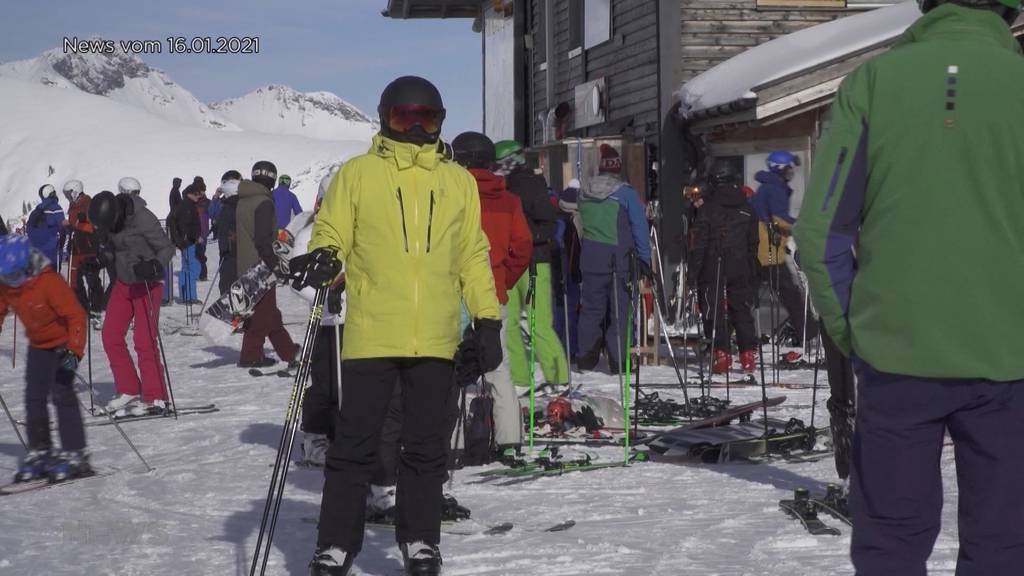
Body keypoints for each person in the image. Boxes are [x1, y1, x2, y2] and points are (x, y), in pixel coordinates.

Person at [795, 1, 1024, 574]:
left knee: (891, 546)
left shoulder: (874, 80)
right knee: (1004, 543)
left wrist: (853, 333)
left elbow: (820, 233)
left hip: (896, 356)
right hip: (1009, 358)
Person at [294, 75, 501, 576]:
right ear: (384, 118)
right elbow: (332, 229)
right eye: (402, 117)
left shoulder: (457, 181)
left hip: (435, 337)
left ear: (439, 123)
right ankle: (335, 545)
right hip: (370, 333)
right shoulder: (358, 173)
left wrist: (488, 319)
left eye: (425, 118)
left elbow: (472, 255)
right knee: (354, 447)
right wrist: (324, 255)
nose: (413, 128)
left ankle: (420, 541)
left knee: (427, 449)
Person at [452, 131, 533, 453]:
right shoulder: (509, 200)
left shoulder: (451, 195)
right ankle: (509, 441)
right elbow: (522, 248)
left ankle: (451, 442)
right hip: (493, 294)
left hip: (453, 294)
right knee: (498, 369)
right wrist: (503, 279)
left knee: (449, 370)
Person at [0, 234, 90, 484]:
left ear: (27, 264)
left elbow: (76, 316)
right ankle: (41, 449)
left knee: (62, 394)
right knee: (34, 397)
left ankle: (76, 453)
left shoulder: (48, 281)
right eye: (6, 277)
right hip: (39, 345)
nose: (11, 282)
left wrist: (74, 352)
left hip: (63, 343)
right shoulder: (7, 283)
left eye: (15, 275)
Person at [87, 190, 175, 417]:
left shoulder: (142, 217)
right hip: (124, 283)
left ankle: (155, 396)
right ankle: (129, 388)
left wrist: (154, 264)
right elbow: (113, 250)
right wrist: (100, 260)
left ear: (116, 214)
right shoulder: (110, 222)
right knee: (110, 335)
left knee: (144, 339)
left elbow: (167, 248)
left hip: (148, 283)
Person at [494, 139, 568, 391]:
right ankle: (520, 376)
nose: (497, 169)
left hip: (535, 262)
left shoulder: (531, 185)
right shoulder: (501, 188)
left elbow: (548, 223)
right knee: (509, 322)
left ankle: (558, 376)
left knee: (538, 323)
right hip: (509, 262)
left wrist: (524, 239)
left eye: (500, 164)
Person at [575, 144, 653, 374]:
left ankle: (585, 358)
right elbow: (640, 227)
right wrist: (644, 260)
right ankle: (619, 360)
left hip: (590, 260)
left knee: (590, 310)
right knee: (620, 312)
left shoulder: (584, 192)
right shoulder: (626, 193)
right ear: (618, 169)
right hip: (619, 262)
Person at [688, 160, 759, 375]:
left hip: (713, 262)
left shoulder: (708, 208)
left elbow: (699, 243)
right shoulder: (747, 208)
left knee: (713, 308)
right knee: (741, 307)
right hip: (740, 263)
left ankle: (721, 354)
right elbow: (753, 242)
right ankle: (747, 354)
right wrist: (751, 267)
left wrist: (693, 272)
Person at [235, 161, 298, 369]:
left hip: (245, 263)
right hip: (260, 266)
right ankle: (250, 355)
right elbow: (263, 239)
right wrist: (276, 265)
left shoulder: (243, 200)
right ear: (272, 178)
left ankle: (287, 350)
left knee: (269, 312)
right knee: (264, 314)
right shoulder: (263, 202)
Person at [750, 150, 816, 348]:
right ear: (778, 169)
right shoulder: (774, 188)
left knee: (750, 296)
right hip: (768, 251)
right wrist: (804, 226)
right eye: (788, 168)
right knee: (791, 295)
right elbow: (779, 220)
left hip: (762, 249)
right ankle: (809, 335)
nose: (791, 172)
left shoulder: (769, 187)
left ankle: (741, 337)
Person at [61, 180, 105, 323]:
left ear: (75, 191)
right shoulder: (72, 206)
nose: (67, 197)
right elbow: (74, 226)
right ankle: (82, 309)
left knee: (92, 281)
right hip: (76, 249)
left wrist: (75, 224)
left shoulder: (89, 204)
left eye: (69, 193)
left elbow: (93, 226)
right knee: (74, 283)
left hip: (89, 248)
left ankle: (96, 310)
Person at [554, 180, 583, 364]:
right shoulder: (578, 221)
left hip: (557, 274)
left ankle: (559, 350)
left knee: (559, 315)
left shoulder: (556, 222)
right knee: (571, 314)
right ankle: (570, 349)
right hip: (572, 274)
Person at [172, 182, 203, 304]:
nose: (198, 197)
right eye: (197, 194)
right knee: (190, 268)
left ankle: (185, 296)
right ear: (191, 194)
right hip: (188, 242)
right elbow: (186, 226)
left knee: (185, 268)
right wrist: (195, 237)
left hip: (185, 241)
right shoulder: (188, 206)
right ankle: (190, 297)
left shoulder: (185, 204)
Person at [213, 170, 242, 295]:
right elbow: (212, 213)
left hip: (231, 254)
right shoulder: (227, 204)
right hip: (230, 252)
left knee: (229, 286)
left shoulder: (232, 205)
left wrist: (226, 247)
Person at [27, 184, 64, 265]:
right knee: (54, 275)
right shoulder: (56, 208)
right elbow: (62, 227)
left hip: (39, 252)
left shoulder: (38, 209)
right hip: (53, 251)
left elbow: (29, 228)